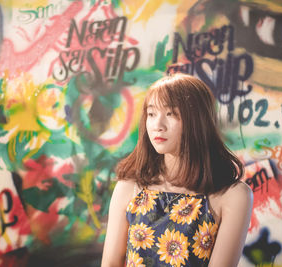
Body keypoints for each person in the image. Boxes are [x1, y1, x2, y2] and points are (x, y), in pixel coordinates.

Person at [101, 73, 253, 267]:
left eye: (171, 114)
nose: (158, 126)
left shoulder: (232, 195)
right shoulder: (129, 187)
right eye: (151, 114)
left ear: (198, 120)